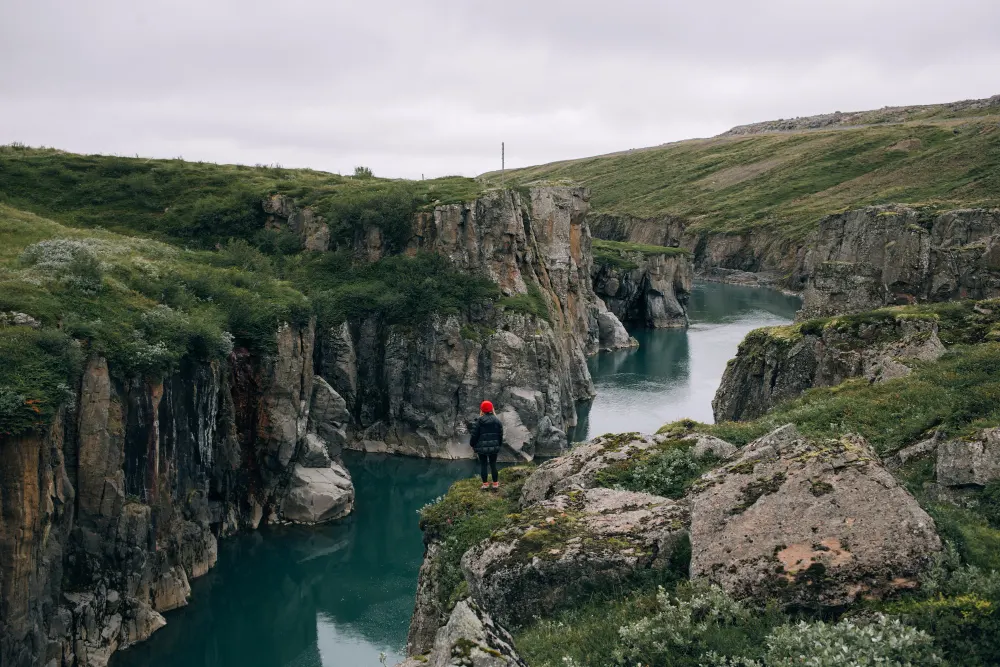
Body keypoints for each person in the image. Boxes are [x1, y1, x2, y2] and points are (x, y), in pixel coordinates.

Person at [470, 400, 504, 490]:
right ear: (492, 409)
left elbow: (474, 435)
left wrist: (472, 444)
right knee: (493, 465)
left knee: (483, 465)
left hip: (481, 448)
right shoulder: (497, 421)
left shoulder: (478, 421)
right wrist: (498, 445)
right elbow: (500, 435)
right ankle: (495, 484)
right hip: (494, 447)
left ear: (482, 410)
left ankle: (485, 484)